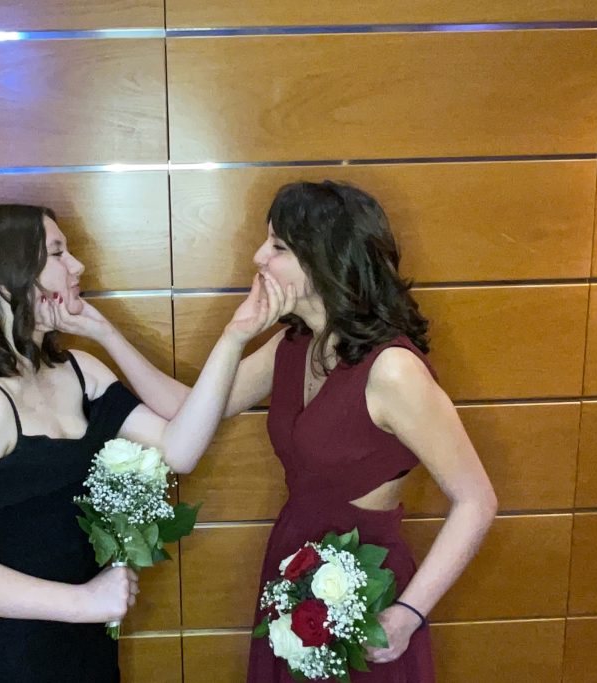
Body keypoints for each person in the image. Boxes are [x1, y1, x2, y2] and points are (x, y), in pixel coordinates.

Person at [58, 181, 498, 681]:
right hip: (292, 559)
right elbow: (188, 409)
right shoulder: (292, 345)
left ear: (324, 260)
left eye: (278, 246)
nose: (258, 257)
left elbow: (476, 501)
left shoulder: (393, 370)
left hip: (364, 584)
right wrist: (105, 332)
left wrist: (409, 613)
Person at [0, 204, 286, 682]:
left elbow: (181, 450)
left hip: (88, 637)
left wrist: (228, 336)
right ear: (1, 280)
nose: (78, 265)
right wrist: (83, 601)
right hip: (14, 652)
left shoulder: (78, 370)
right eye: (57, 253)